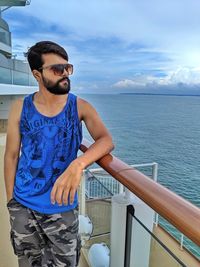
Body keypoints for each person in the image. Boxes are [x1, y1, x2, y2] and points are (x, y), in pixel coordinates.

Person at [4, 41, 114, 267]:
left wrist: (78, 164)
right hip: (23, 206)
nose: (65, 74)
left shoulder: (80, 107)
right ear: (37, 74)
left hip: (62, 208)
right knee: (27, 263)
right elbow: (12, 156)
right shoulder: (20, 107)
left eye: (67, 67)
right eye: (57, 69)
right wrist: (12, 204)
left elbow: (106, 140)